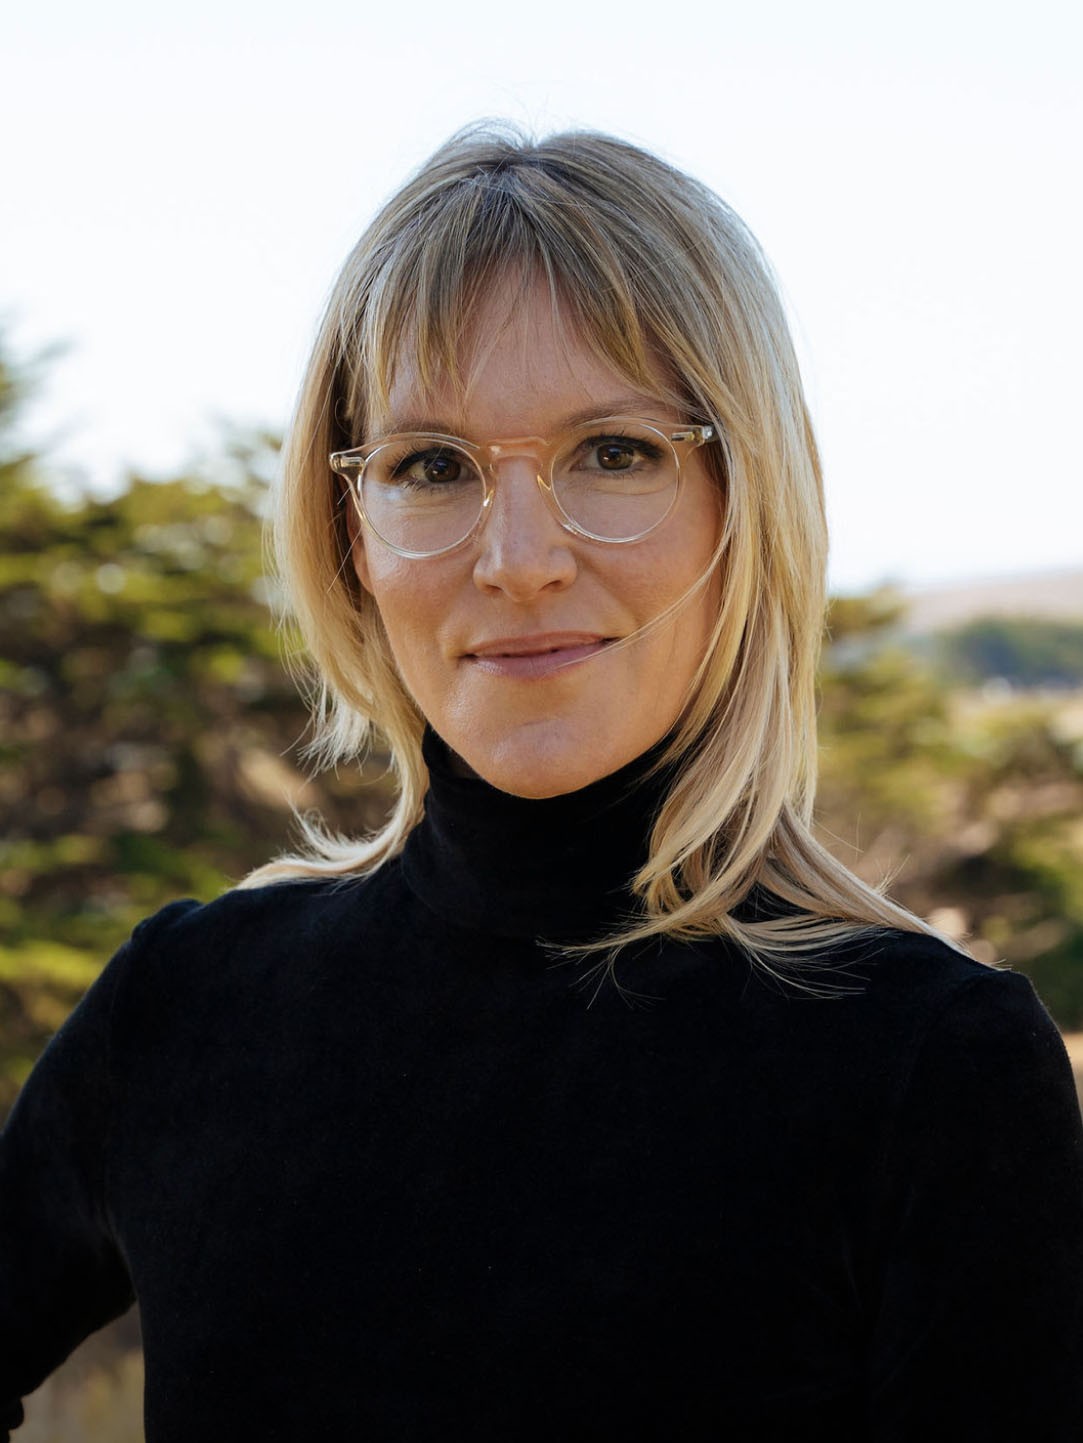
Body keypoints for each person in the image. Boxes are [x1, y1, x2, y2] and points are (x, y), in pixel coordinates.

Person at [2, 124, 1082, 1442]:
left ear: (745, 499)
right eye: (431, 466)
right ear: (351, 536)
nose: (519, 559)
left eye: (614, 452)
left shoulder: (936, 1071)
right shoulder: (184, 1009)